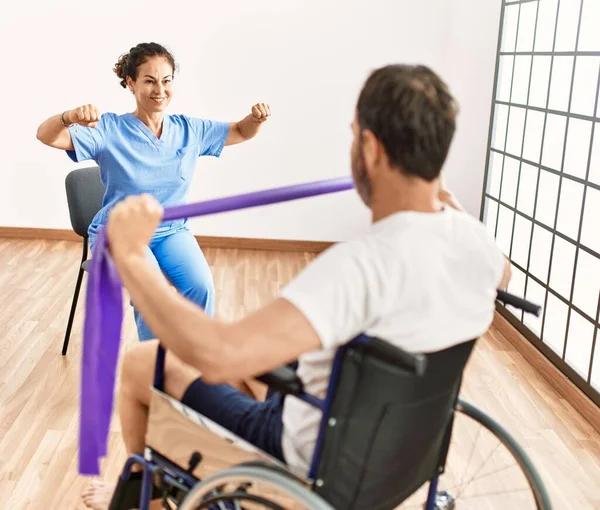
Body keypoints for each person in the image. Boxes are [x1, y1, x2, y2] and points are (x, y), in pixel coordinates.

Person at [80, 63, 511, 509]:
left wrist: (131, 256)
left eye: (353, 134)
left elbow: (216, 356)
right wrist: (454, 217)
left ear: (370, 146)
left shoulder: (358, 268)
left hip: (305, 458)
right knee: (259, 358)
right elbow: (504, 275)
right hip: (400, 456)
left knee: (139, 363)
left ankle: (142, 498)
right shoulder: (479, 247)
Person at [36, 42, 271, 341]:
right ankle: (154, 373)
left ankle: (198, 358)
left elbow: (239, 131)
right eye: (149, 81)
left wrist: (256, 120)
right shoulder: (108, 129)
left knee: (201, 286)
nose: (159, 89)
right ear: (131, 83)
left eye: (166, 80)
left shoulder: (189, 129)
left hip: (171, 230)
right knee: (152, 291)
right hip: (121, 233)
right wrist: (69, 116)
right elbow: (46, 136)